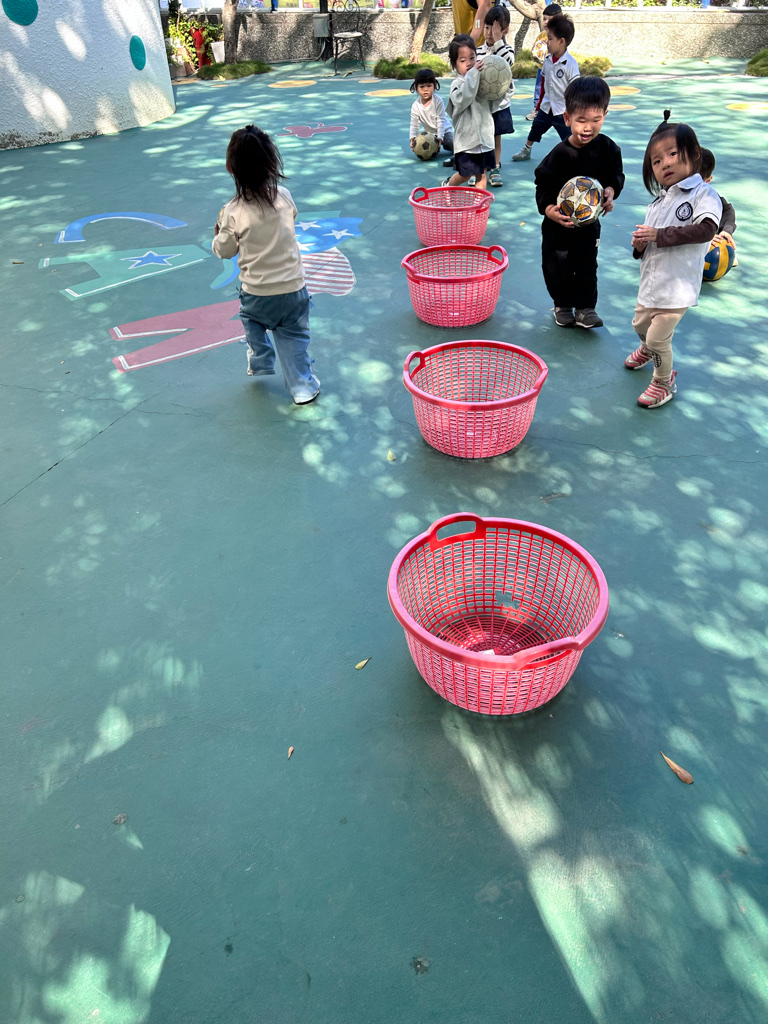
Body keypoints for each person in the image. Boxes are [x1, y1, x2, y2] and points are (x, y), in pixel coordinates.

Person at [212, 125, 320, 405]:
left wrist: (218, 234)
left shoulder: (232, 211)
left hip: (257, 295)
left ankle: (260, 357)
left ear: (230, 168)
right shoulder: (284, 196)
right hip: (293, 290)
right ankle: (302, 388)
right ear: (272, 163)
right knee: (294, 338)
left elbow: (224, 251)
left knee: (251, 318)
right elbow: (291, 218)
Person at [625, 111, 721, 409]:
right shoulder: (657, 204)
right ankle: (648, 350)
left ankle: (663, 381)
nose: (665, 163)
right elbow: (648, 244)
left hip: (677, 288)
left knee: (658, 340)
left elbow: (706, 229)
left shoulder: (703, 194)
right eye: (656, 161)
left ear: (694, 154)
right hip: (651, 285)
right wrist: (640, 245)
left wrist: (659, 235)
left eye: (672, 154)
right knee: (640, 327)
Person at [534, 76, 624, 329]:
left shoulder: (608, 149)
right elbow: (543, 185)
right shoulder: (559, 155)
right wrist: (549, 210)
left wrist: (610, 191)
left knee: (587, 264)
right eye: (581, 120)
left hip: (588, 225)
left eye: (596, 120)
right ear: (567, 118)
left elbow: (616, 176)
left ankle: (585, 308)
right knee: (557, 265)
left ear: (605, 115)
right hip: (558, 226)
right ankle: (562, 304)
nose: (588, 127)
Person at [512, 14, 578, 162]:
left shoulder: (571, 64)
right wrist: (539, 105)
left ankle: (574, 156)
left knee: (568, 136)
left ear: (561, 41)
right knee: (536, 128)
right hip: (546, 107)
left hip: (563, 110)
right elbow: (543, 84)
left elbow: (575, 91)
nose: (547, 42)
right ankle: (527, 149)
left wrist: (572, 110)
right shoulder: (547, 60)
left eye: (550, 39)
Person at [440, 34, 500, 191]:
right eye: (462, 60)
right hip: (467, 142)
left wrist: (502, 88)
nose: (469, 63)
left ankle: (480, 204)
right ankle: (448, 186)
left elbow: (493, 105)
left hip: (484, 139)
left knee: (482, 174)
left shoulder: (481, 81)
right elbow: (463, 99)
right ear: (454, 64)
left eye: (472, 58)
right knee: (465, 175)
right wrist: (473, 75)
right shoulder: (456, 85)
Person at [474, 5, 515, 187]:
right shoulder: (478, 51)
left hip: (500, 105)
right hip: (482, 105)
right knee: (480, 138)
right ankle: (479, 169)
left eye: (496, 29)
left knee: (496, 137)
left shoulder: (507, 50)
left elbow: (507, 62)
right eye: (487, 27)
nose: (490, 33)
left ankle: (495, 167)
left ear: (505, 30)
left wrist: (499, 42)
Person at [526, 4, 562, 122]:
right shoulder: (542, 35)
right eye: (544, 19)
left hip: (556, 68)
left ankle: (558, 109)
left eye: (549, 20)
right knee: (539, 87)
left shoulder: (561, 36)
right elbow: (536, 48)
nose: (545, 22)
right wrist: (536, 54)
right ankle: (537, 109)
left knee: (557, 87)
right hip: (542, 67)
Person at [700, 147, 737, 258]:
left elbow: (727, 211)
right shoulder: (672, 196)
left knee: (719, 252)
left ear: (707, 181)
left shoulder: (710, 196)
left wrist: (726, 231)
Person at [409, 69, 454, 159]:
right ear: (416, 88)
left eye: (429, 86)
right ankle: (433, 150)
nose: (425, 89)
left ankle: (461, 150)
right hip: (429, 134)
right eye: (422, 86)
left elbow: (440, 120)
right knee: (425, 148)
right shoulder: (415, 105)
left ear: (434, 86)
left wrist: (440, 137)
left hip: (444, 131)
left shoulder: (438, 101)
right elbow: (414, 124)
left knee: (451, 144)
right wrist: (412, 137)